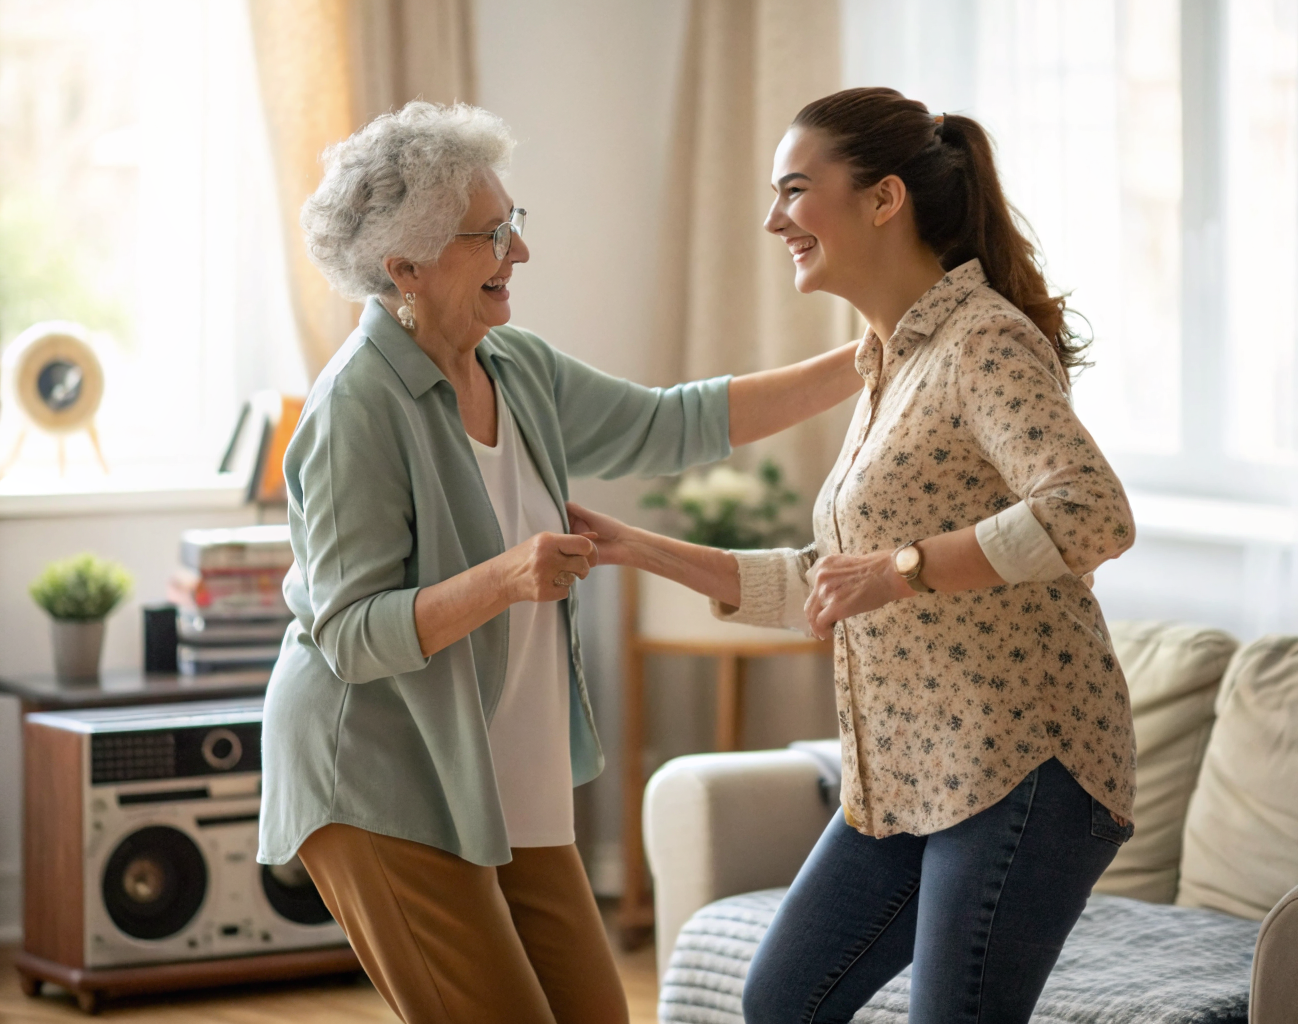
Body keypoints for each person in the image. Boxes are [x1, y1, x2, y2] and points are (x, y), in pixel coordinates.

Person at [254, 100, 863, 1024]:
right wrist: (506, 578)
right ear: (404, 266)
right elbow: (349, 634)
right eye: (490, 235)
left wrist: (873, 354)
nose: (521, 251)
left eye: (514, 223)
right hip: (381, 777)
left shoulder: (513, 366)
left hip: (508, 770)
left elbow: (673, 423)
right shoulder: (357, 407)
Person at [566, 87, 1138, 1024]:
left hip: (1022, 766)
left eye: (795, 189)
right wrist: (634, 547)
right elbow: (828, 583)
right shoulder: (885, 365)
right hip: (906, 771)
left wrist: (902, 569)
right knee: (782, 1000)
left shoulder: (983, 341)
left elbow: (1090, 514)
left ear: (883, 199)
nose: (773, 219)